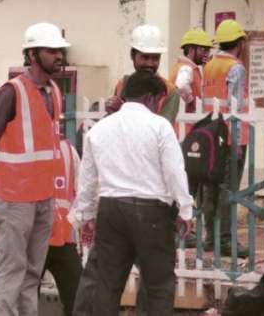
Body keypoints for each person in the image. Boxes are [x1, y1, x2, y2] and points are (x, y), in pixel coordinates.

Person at [71, 72, 194, 316]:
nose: (159, 106)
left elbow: (87, 179)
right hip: (152, 213)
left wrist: (86, 215)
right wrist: (185, 208)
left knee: (107, 284)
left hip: (111, 210)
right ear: (150, 98)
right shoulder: (160, 126)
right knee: (158, 285)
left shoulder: (99, 129)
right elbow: (174, 171)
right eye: (159, 100)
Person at [0, 22, 69, 316]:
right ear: (32, 54)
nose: (59, 56)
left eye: (60, 51)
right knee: (12, 269)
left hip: (44, 197)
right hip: (15, 198)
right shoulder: (11, 92)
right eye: (51, 50)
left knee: (32, 272)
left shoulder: (54, 91)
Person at [201, 19, 249, 255]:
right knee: (228, 190)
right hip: (229, 137)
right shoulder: (235, 68)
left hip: (211, 135)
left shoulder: (210, 65)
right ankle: (226, 240)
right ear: (239, 43)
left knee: (211, 188)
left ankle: (211, 237)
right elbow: (234, 107)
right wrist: (236, 142)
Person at [105, 24, 181, 124]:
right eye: (145, 57)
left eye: (155, 58)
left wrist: (122, 111)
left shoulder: (170, 92)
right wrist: (112, 112)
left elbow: (162, 128)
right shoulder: (122, 85)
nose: (150, 64)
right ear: (132, 55)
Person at [43, 133, 82, 316]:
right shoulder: (68, 151)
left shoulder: (69, 151)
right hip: (38, 241)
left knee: (77, 297)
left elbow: (81, 191)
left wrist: (74, 223)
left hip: (61, 238)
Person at [169, 28, 213, 113]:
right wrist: (191, 104)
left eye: (208, 50)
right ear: (191, 50)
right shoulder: (186, 68)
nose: (207, 54)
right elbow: (181, 86)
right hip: (187, 120)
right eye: (203, 50)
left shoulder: (179, 65)